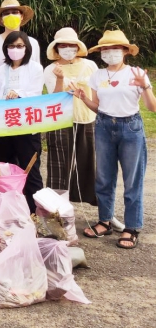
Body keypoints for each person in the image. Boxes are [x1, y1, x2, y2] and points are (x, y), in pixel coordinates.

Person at [76, 30, 156, 250]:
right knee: (104, 178)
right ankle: (105, 220)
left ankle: (132, 227)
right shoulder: (98, 76)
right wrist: (83, 99)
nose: (109, 53)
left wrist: (146, 86)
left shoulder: (137, 73)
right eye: (105, 49)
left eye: (114, 49)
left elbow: (152, 107)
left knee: (133, 180)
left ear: (125, 51)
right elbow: (97, 106)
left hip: (130, 127)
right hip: (103, 126)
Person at [0, 0, 40, 162]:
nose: (11, 15)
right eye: (7, 13)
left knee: (24, 144)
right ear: (1, 18)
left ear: (21, 16)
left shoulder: (31, 43)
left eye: (15, 12)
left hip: (24, 98)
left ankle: (24, 182)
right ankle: (0, 181)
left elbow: (35, 75)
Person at [43, 28, 99, 206]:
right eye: (63, 45)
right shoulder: (51, 69)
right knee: (59, 165)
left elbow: (98, 92)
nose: (68, 48)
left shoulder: (90, 65)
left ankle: (93, 203)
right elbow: (54, 98)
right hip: (60, 121)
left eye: (71, 45)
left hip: (86, 118)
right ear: (57, 48)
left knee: (88, 162)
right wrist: (60, 79)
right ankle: (56, 209)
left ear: (77, 46)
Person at [0, 31, 45, 213]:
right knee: (6, 168)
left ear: (27, 48)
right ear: (6, 49)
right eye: (11, 46)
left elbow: (36, 93)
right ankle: (10, 210)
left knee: (30, 170)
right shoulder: (0, 70)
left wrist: (19, 94)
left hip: (27, 126)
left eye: (20, 46)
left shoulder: (36, 68)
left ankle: (34, 211)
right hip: (5, 127)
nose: (15, 50)